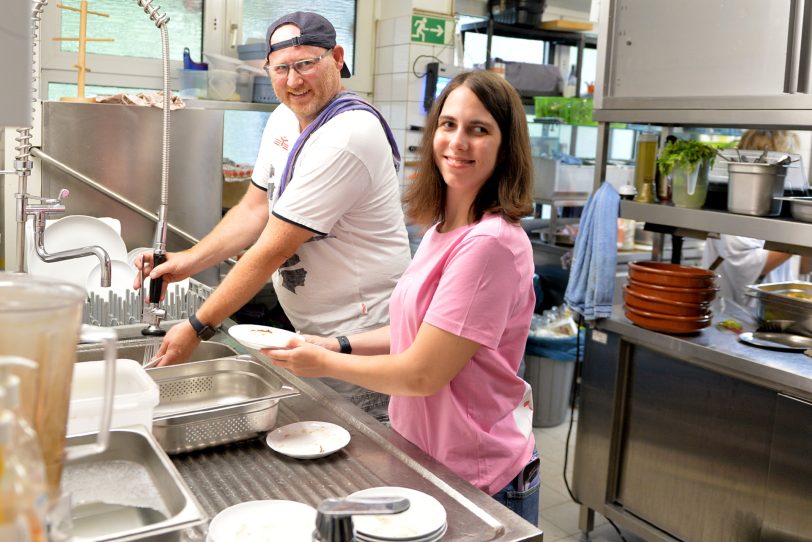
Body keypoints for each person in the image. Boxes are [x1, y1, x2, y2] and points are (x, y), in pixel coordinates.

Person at [265, 70, 540, 524]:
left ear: (505, 146)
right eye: (449, 125)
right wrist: (335, 344)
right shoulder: (443, 231)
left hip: (480, 477)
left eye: (479, 129)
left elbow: (422, 373)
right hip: (428, 458)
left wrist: (324, 365)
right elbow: (420, 331)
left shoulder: (489, 244)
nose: (458, 142)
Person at [135, 11, 412, 421]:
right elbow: (254, 208)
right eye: (281, 68)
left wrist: (197, 326)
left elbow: (270, 251)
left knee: (369, 441)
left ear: (336, 58)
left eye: (306, 64)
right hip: (315, 332)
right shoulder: (285, 117)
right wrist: (187, 261)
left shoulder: (349, 134)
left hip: (364, 334)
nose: (294, 80)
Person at [701, 130, 809, 306]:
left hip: (772, 314)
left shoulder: (774, 205)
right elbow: (752, 265)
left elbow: (803, 268)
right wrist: (800, 238)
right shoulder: (735, 206)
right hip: (730, 318)